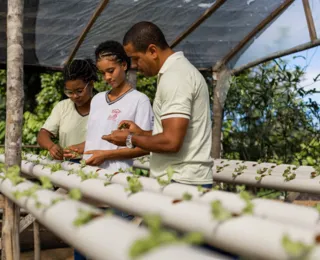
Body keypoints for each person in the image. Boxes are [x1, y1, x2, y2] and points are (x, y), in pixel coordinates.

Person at [103, 22, 213, 187]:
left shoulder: (175, 77)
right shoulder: (176, 72)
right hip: (180, 179)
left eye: (136, 58)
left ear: (152, 51)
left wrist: (130, 139)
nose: (134, 66)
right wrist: (142, 133)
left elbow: (171, 141)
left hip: (182, 181)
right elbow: (174, 134)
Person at [64, 40, 153, 172]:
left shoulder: (139, 100)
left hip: (116, 177)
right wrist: (79, 148)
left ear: (123, 65)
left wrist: (106, 155)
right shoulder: (97, 99)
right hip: (87, 172)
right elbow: (96, 139)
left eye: (111, 71)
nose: (107, 77)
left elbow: (146, 147)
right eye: (102, 73)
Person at [37, 59, 98, 160]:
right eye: (69, 92)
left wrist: (85, 146)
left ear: (91, 84)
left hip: (94, 166)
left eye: (79, 91)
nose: (74, 96)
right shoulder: (62, 107)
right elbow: (42, 135)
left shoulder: (103, 107)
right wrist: (51, 146)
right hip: (66, 167)